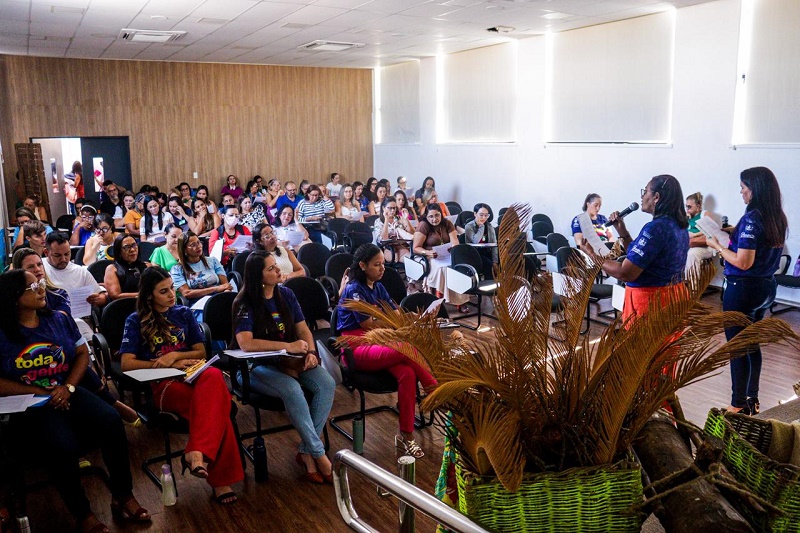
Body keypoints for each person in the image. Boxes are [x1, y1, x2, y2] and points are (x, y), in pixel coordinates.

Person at [0, 269, 149, 533]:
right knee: (62, 443)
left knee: (111, 420)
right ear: (13, 298)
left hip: (66, 389)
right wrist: (43, 393)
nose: (41, 288)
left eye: (40, 283)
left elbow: (81, 354)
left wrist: (68, 387)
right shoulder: (3, 333)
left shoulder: (58, 319)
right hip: (29, 403)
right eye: (32, 287)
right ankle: (82, 513)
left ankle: (123, 494)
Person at [119, 266, 243, 504]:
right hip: (163, 384)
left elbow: (201, 351)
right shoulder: (136, 320)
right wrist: (164, 364)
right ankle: (218, 479)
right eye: (163, 291)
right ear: (149, 296)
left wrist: (174, 357)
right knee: (218, 408)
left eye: (172, 288)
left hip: (193, 375)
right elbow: (127, 364)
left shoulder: (184, 313)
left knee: (214, 376)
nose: (171, 294)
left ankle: (197, 452)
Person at [232, 251, 335, 483]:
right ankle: (319, 455)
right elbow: (245, 343)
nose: (278, 270)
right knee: (292, 389)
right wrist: (287, 346)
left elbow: (303, 329)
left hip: (291, 360)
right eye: (271, 269)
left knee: (326, 383)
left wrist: (310, 352)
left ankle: (306, 452)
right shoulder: (244, 302)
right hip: (254, 367)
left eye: (275, 265)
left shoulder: (286, 294)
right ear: (258, 277)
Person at [336, 244, 437, 458]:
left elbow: (396, 313)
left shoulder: (378, 286)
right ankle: (435, 392)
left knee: (408, 374)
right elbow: (367, 325)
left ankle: (406, 437)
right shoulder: (354, 288)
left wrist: (414, 319)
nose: (383, 268)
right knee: (407, 348)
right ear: (362, 266)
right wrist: (394, 324)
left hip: (383, 341)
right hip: (357, 345)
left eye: (383, 263)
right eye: (377, 264)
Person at [705, 167, 787, 416]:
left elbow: (743, 262)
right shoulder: (776, 216)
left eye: (743, 187)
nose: (740, 192)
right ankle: (752, 398)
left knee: (737, 346)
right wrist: (730, 233)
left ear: (754, 189)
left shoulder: (752, 218)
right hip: (765, 288)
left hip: (744, 288)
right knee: (751, 344)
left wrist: (718, 246)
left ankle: (737, 404)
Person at [598, 175, 689, 322]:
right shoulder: (679, 226)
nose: (642, 196)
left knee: (645, 345)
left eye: (645, 191)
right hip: (672, 299)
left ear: (656, 197)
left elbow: (626, 273)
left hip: (651, 304)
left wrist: (593, 256)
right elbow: (638, 258)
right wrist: (622, 232)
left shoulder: (655, 228)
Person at [412, 204, 467, 305]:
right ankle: (441, 296)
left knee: (458, 266)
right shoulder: (423, 225)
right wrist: (427, 252)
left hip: (446, 255)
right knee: (443, 268)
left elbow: (455, 241)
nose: (434, 219)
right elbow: (415, 248)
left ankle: (460, 301)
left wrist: (453, 247)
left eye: (437, 215)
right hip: (429, 256)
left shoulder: (447, 223)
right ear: (426, 217)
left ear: (441, 214)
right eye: (431, 216)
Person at [43, 232, 109, 311]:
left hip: (78, 318)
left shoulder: (80, 272)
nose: (63, 259)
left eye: (67, 254)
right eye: (57, 255)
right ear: (46, 253)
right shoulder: (39, 269)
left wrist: (99, 299)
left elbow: (101, 295)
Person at [171, 232, 233, 306]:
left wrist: (226, 293)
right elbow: (187, 293)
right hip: (198, 303)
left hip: (219, 298)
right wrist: (215, 289)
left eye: (199, 243)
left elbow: (225, 284)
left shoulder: (212, 261)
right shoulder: (177, 269)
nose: (198, 246)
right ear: (184, 250)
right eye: (193, 245)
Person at [104, 235, 147, 301]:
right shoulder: (112, 269)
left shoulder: (147, 266)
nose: (132, 250)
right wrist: (144, 295)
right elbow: (116, 296)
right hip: (124, 307)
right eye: (126, 247)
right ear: (119, 251)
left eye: (134, 245)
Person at [373, 197, 413, 262]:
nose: (392, 210)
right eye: (390, 208)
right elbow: (383, 239)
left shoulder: (398, 218)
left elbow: (412, 234)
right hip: (390, 250)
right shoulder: (378, 221)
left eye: (394, 208)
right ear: (383, 208)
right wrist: (386, 219)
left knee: (417, 258)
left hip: (405, 246)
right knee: (412, 260)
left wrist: (406, 220)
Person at [684, 192, 715, 275]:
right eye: (686, 206)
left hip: (705, 246)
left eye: (689, 207)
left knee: (692, 253)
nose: (687, 209)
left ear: (698, 206)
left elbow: (711, 231)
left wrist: (694, 235)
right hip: (690, 244)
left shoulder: (704, 214)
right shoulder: (687, 217)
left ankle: (691, 286)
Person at [464, 203, 497, 279]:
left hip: (486, 252)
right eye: (481, 215)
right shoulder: (469, 226)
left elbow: (494, 245)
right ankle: (490, 287)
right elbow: (476, 241)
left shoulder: (489, 226)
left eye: (486, 215)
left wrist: (495, 261)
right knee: (489, 265)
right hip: (474, 253)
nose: (484, 218)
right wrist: (481, 227)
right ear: (475, 214)